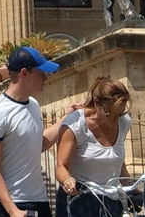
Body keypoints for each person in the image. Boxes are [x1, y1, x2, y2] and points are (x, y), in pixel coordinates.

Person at [0, 47, 63, 217]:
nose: (45, 78)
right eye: (41, 73)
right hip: (6, 204)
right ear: (24, 73)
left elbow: (37, 144)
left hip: (38, 199)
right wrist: (13, 211)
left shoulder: (33, 104)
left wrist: (65, 119)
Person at [54, 78, 132, 217]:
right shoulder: (75, 125)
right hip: (79, 201)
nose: (114, 119)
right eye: (109, 114)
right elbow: (61, 167)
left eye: (118, 114)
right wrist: (68, 180)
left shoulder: (123, 121)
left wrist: (131, 188)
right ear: (96, 103)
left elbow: (116, 160)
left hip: (111, 200)